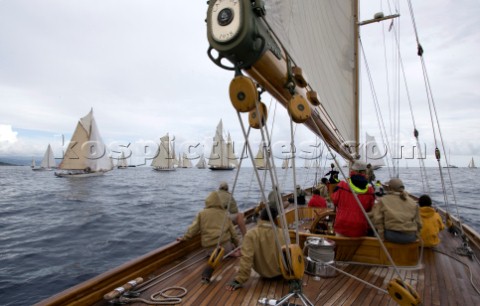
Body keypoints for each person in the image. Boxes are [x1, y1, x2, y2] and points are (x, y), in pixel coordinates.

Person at [177, 191, 241, 283]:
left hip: (210, 249)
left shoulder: (201, 214)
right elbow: (233, 233)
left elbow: (193, 230)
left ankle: (223, 254)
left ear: (207, 201)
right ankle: (231, 253)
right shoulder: (225, 214)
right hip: (225, 246)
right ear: (219, 202)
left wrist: (184, 238)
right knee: (230, 245)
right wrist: (238, 245)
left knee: (212, 252)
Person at [225, 206, 285, 291]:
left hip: (263, 273)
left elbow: (247, 258)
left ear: (261, 217)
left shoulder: (251, 234)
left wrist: (239, 280)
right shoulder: (284, 233)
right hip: (281, 274)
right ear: (275, 219)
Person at [331, 160, 375, 237]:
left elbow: (334, 200)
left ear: (353, 170)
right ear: (364, 172)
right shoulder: (370, 189)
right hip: (359, 228)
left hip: (342, 225)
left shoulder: (342, 185)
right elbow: (370, 208)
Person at [372, 178, 422, 243]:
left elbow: (378, 220)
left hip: (392, 236)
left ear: (389, 188)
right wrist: (417, 236)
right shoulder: (412, 202)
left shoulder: (383, 200)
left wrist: (381, 237)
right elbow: (419, 223)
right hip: (410, 237)